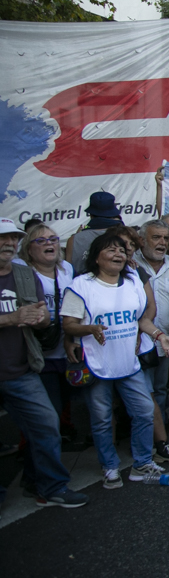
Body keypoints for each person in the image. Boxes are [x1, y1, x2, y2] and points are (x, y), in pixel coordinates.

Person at [62, 232, 169, 488]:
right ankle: (109, 466)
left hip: (129, 362)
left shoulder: (133, 281)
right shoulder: (81, 285)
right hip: (98, 363)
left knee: (144, 411)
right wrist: (90, 329)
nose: (118, 254)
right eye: (110, 250)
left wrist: (160, 336)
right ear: (95, 257)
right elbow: (69, 325)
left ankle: (141, 463)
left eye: (121, 251)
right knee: (103, 418)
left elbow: (142, 319)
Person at [0, 218, 89, 510]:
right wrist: (12, 318)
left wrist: (41, 319)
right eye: (2, 238)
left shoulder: (24, 275)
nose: (8, 244)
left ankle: (50, 487)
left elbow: (41, 317)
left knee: (47, 425)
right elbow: (16, 317)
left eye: (12, 238)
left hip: (20, 369)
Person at [132, 220, 169, 464]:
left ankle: (160, 440)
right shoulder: (132, 264)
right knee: (143, 396)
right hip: (137, 341)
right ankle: (152, 443)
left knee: (159, 390)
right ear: (142, 240)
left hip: (165, 337)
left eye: (165, 239)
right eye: (156, 237)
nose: (161, 243)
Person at [18, 224, 75, 423]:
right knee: (48, 409)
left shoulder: (67, 269)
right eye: (41, 241)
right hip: (39, 351)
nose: (49, 244)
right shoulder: (22, 272)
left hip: (66, 348)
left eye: (53, 239)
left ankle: (62, 434)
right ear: (29, 249)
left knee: (66, 398)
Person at [65, 191, 124, 273]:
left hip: (80, 284)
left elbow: (67, 272)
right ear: (113, 214)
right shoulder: (125, 236)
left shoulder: (74, 239)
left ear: (90, 214)